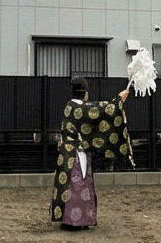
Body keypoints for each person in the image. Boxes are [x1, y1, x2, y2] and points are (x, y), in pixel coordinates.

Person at [50, 76, 131, 230]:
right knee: (76, 186)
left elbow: (93, 109)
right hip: (75, 154)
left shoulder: (70, 106)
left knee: (75, 186)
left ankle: (78, 219)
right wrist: (118, 100)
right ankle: (75, 221)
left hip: (69, 153)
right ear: (85, 92)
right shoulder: (78, 107)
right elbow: (99, 111)